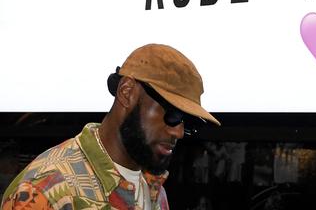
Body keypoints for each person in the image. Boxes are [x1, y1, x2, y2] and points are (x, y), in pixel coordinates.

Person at [1, 43, 220, 210]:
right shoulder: (48, 190)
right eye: (172, 115)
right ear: (127, 92)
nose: (178, 132)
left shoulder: (154, 188)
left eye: (187, 123)